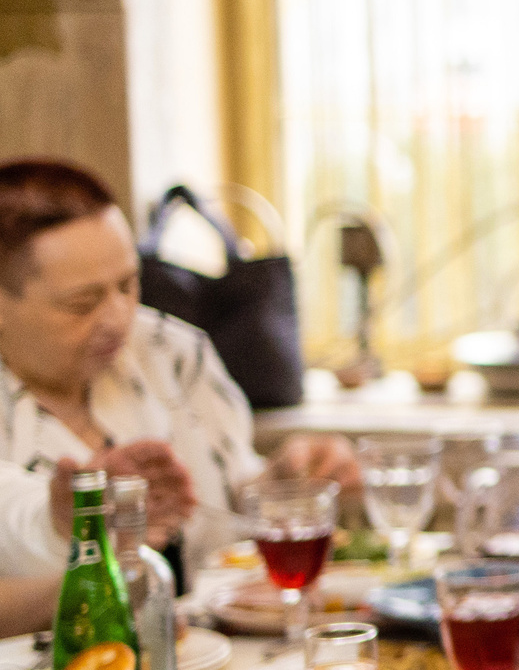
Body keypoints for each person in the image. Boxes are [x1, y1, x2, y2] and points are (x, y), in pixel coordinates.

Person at [0, 159, 359, 610]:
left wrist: (285, 480)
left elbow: (232, 501)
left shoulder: (169, 351)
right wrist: (67, 525)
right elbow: (17, 517)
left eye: (128, 285)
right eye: (83, 303)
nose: (118, 318)